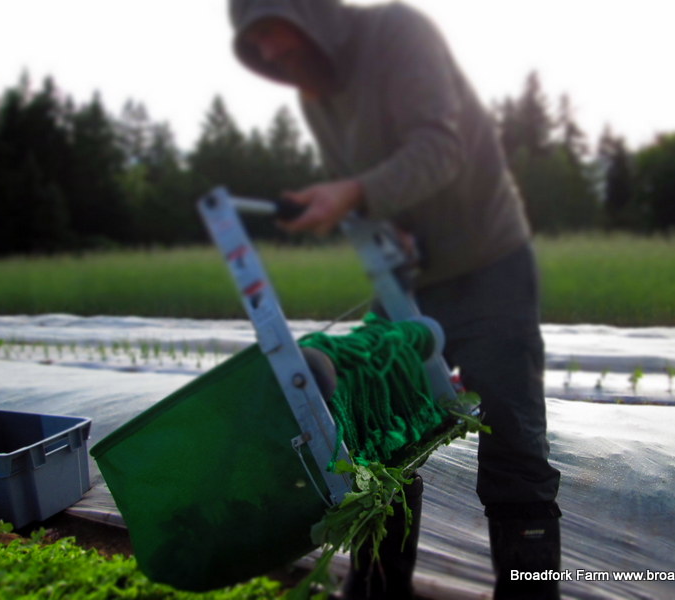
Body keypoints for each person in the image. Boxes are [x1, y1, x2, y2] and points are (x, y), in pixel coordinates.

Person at [228, 1, 562, 598]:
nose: (272, 53)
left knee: (513, 444)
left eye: (275, 32)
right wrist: (382, 221)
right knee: (383, 434)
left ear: (311, 16)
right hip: (408, 278)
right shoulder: (315, 95)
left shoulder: (397, 34)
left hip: (490, 266)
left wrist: (354, 191)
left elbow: (440, 147)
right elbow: (374, 198)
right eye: (259, 47)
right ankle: (380, 588)